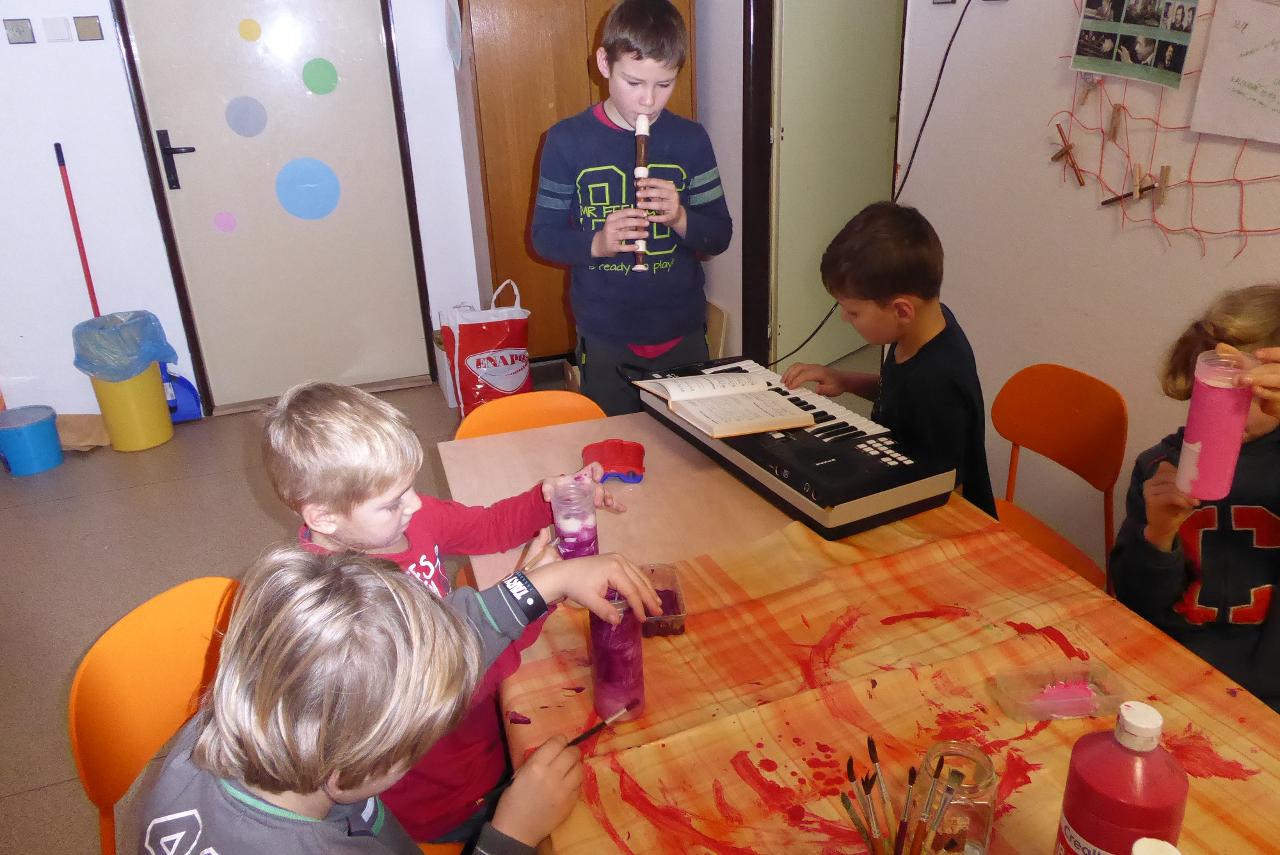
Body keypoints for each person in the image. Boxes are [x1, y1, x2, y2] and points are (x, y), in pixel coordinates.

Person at [261, 381, 656, 844]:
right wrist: (535, 598)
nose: (414, 504)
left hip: (480, 720)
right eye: (392, 501)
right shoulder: (348, 607)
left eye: (410, 487)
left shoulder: (406, 517)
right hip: (449, 791)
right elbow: (455, 692)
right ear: (324, 517)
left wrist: (545, 500)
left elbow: (486, 527)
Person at [137, 547, 624, 854]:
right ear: (350, 773)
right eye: (417, 747)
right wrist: (509, 838)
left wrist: (547, 582)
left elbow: (399, 653)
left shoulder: (252, 702)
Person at [531, 0, 733, 416]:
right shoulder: (565, 141)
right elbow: (543, 238)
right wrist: (598, 243)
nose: (648, 101)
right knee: (615, 437)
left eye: (664, 84)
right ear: (604, 63)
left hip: (681, 327)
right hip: (604, 331)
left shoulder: (691, 140)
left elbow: (719, 236)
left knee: (687, 439)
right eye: (633, 82)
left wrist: (680, 218)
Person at [1110, 285, 1280, 712]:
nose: (1233, 409)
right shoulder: (1161, 467)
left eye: (1253, 390)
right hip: (1168, 668)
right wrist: (1158, 534)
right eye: (1220, 390)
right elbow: (1135, 605)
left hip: (1265, 692)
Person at [781, 202, 997, 518]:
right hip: (901, 479)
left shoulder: (939, 382)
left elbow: (949, 491)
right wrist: (844, 379)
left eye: (853, 312)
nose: (844, 318)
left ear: (901, 311)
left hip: (942, 516)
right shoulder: (921, 329)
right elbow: (898, 391)